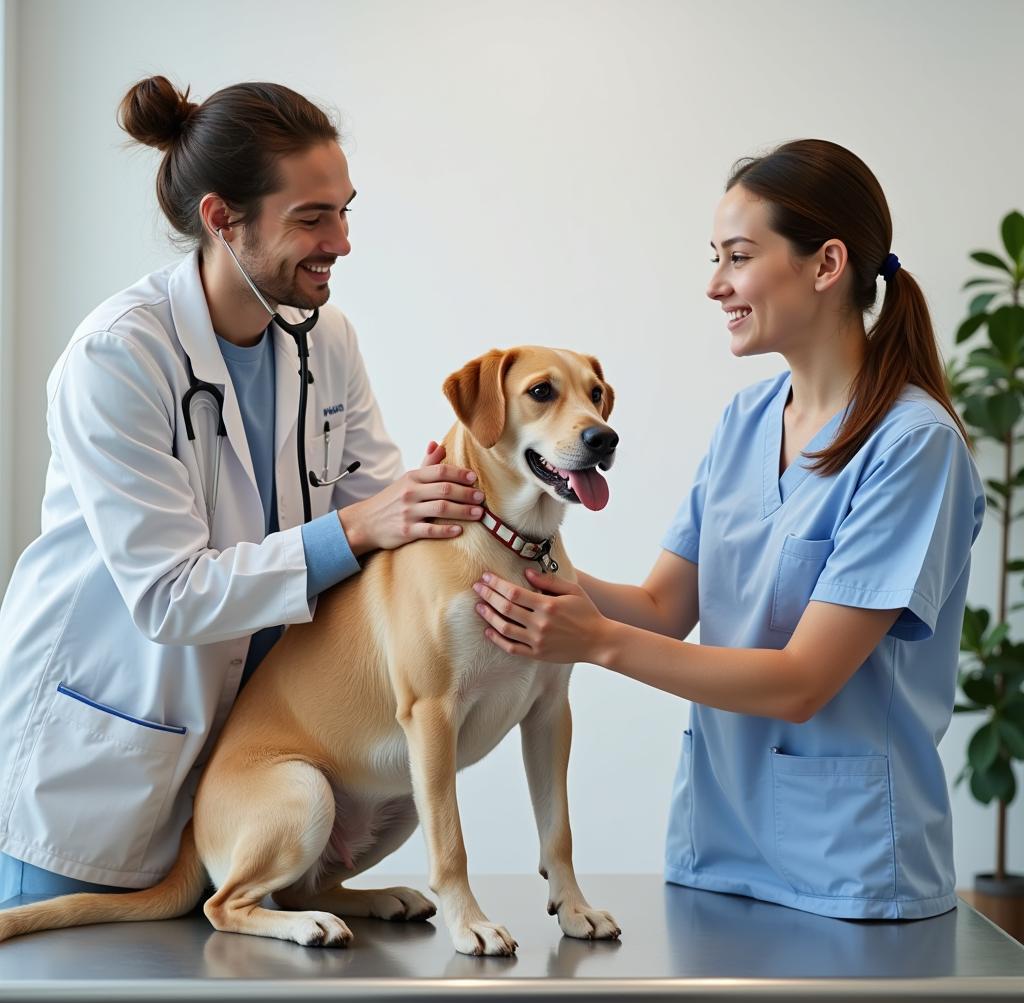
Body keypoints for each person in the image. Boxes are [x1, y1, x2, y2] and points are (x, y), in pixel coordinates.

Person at [472, 139, 986, 920]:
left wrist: (593, 642)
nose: (715, 285)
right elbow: (660, 607)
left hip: (851, 870)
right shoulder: (747, 419)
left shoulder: (914, 446)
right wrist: (505, 548)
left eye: (738, 257)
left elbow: (804, 682)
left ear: (826, 264)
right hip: (716, 850)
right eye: (715, 257)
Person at [0, 77, 486, 901]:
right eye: (311, 217)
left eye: (344, 211)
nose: (341, 241)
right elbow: (171, 596)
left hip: (252, 773)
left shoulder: (324, 339)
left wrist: (456, 509)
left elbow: (382, 516)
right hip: (106, 768)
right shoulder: (119, 357)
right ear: (223, 220)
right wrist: (365, 525)